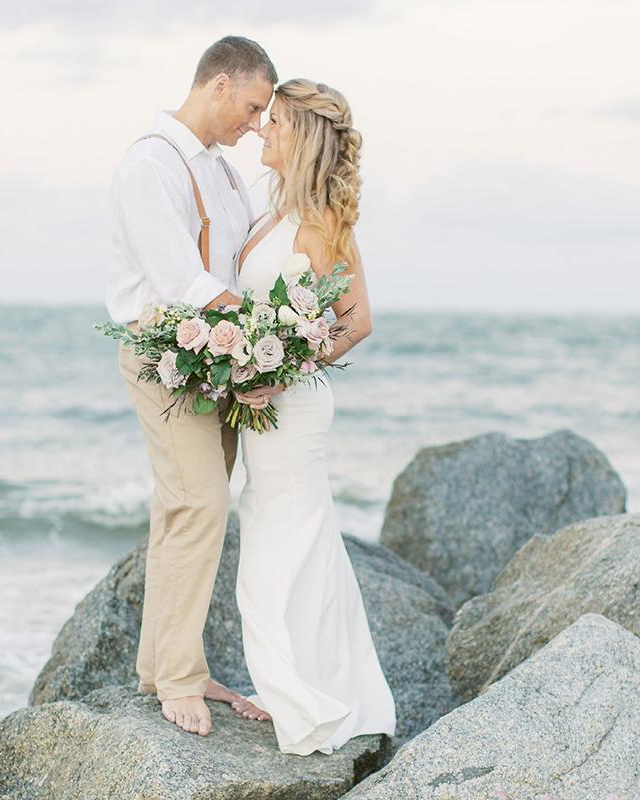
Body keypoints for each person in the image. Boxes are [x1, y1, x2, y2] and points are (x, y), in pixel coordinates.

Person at [106, 36, 277, 737]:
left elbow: (236, 262)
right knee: (200, 503)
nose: (256, 123)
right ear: (219, 84)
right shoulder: (152, 162)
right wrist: (269, 332)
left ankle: (166, 663)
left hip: (214, 360)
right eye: (252, 106)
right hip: (165, 360)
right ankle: (177, 678)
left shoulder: (223, 172)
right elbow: (182, 279)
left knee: (182, 509)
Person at [232, 78, 397, 755]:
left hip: (293, 412)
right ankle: (314, 689)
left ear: (301, 135)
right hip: (266, 414)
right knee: (295, 545)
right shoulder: (273, 215)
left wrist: (282, 369)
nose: (262, 131)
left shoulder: (321, 221)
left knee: (283, 550)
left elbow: (356, 321)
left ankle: (305, 701)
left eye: (274, 122)